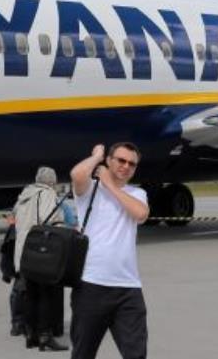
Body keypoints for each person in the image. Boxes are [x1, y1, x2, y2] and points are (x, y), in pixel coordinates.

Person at [69, 143, 150, 359]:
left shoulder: (137, 193)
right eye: (121, 160)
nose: (126, 166)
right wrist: (96, 156)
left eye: (132, 164)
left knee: (136, 354)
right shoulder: (90, 190)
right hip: (91, 285)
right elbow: (77, 174)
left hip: (128, 289)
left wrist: (110, 184)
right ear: (109, 161)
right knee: (83, 353)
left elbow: (140, 214)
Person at [13, 166, 70, 351]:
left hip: (23, 252)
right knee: (46, 294)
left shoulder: (24, 196)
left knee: (30, 294)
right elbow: (50, 221)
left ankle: (31, 335)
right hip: (40, 252)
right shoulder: (46, 195)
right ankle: (45, 336)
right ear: (51, 181)